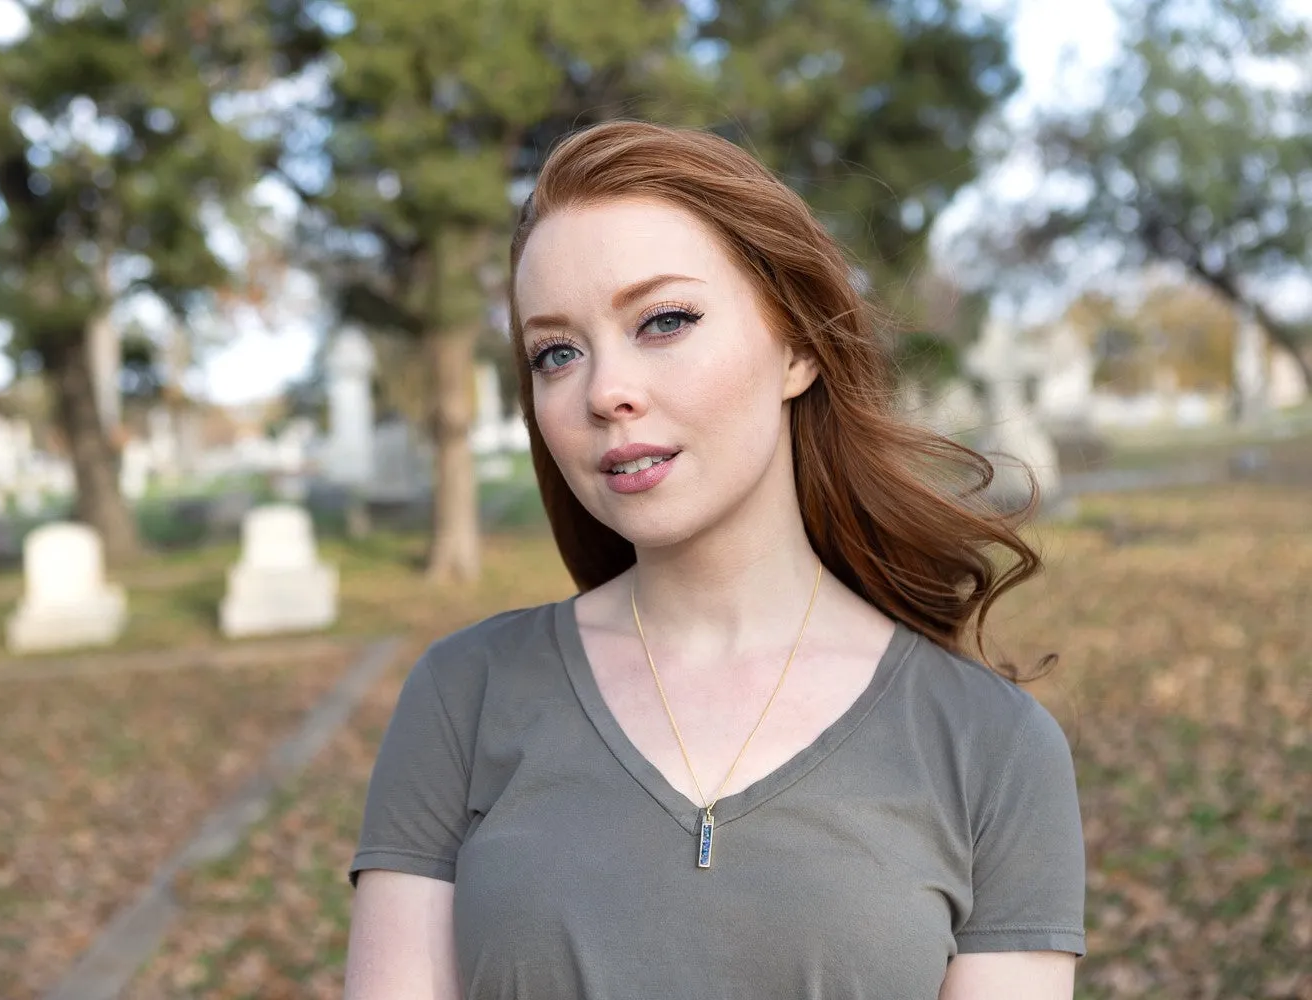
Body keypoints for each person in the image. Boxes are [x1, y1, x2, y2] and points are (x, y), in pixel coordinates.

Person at [345, 121, 1086, 1000]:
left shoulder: (990, 746)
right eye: (556, 352)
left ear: (798, 346)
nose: (604, 391)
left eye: (664, 320)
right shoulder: (462, 696)